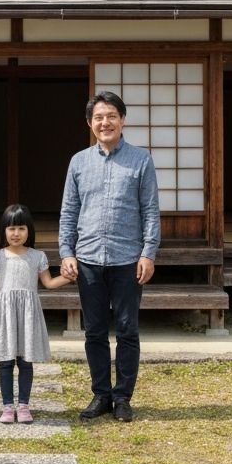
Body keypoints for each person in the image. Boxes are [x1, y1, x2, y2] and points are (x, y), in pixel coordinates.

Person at [59, 90, 160, 423]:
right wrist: (66, 251)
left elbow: (150, 210)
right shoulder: (78, 161)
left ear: (122, 120)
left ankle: (123, 397)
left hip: (128, 259)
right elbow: (69, 211)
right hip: (87, 259)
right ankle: (101, 394)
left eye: (111, 116)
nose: (105, 122)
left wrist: (148, 252)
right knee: (95, 331)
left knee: (128, 330)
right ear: (90, 123)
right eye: (98, 117)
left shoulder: (141, 159)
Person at [0, 204, 74, 424]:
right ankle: (8, 406)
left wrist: (69, 277)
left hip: (28, 313)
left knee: (26, 361)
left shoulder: (37, 256)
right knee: (6, 361)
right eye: (11, 229)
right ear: (3, 231)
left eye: (21, 228)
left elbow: (48, 282)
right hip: (5, 314)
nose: (16, 233)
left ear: (29, 230)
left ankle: (25, 405)